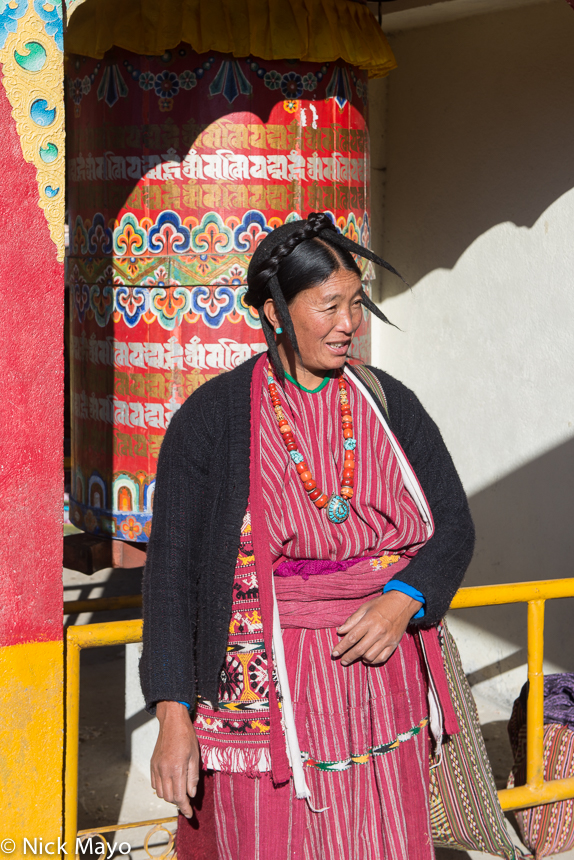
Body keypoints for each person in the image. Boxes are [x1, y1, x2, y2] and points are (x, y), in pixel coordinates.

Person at [140, 212, 475, 860]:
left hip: (382, 693)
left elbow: (453, 525)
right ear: (273, 310)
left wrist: (405, 595)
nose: (349, 323)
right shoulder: (211, 421)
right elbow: (173, 574)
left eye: (356, 303)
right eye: (328, 306)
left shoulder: (387, 402)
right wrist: (173, 716)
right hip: (266, 704)